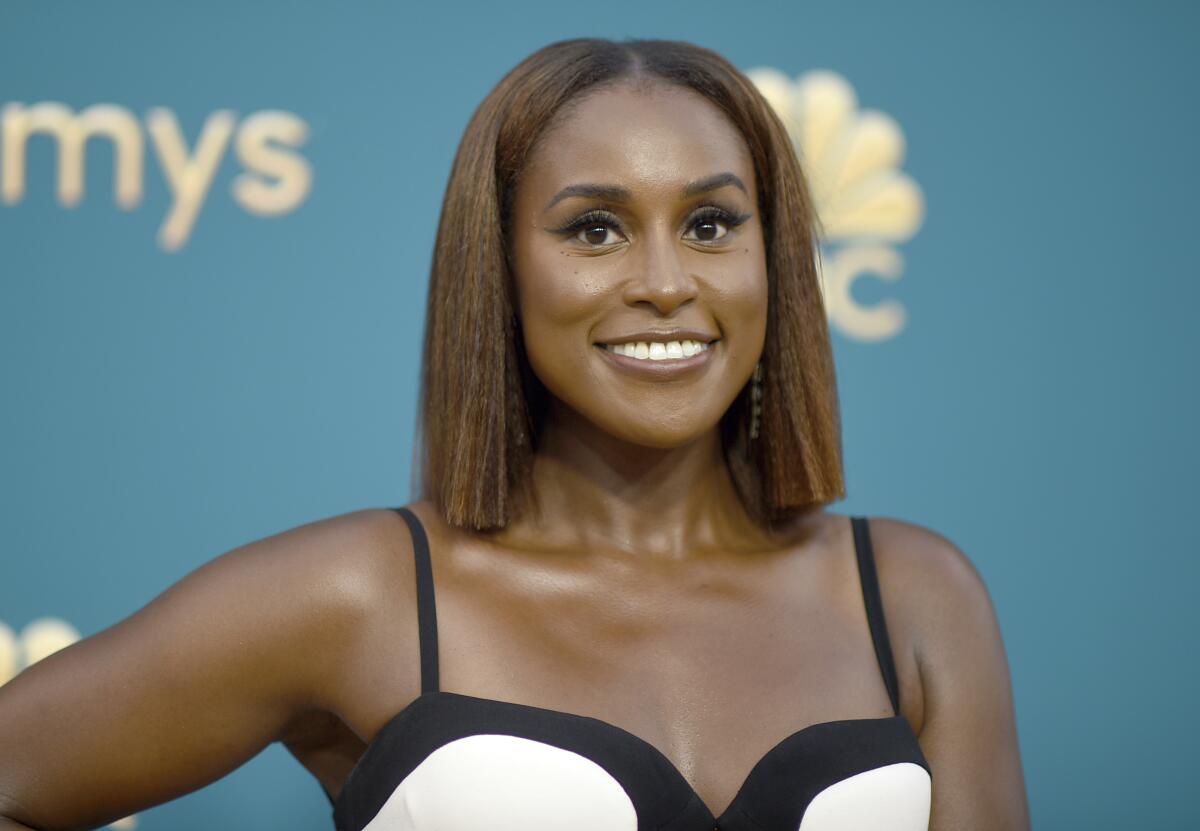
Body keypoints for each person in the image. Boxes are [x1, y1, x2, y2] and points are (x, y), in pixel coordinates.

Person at [0, 37, 1030, 831]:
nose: (666, 282)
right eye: (595, 229)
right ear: (500, 269)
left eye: (712, 224)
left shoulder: (914, 593)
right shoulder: (360, 595)